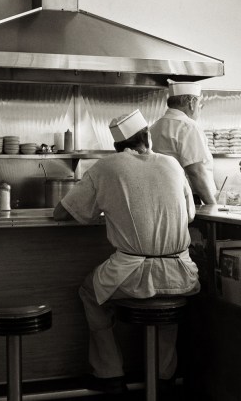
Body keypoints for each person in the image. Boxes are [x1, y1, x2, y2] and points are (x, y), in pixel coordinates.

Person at [53, 109, 200, 395]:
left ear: (117, 147)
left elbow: (62, 212)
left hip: (131, 273)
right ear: (148, 137)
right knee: (168, 308)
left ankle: (110, 375)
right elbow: (190, 215)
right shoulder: (172, 164)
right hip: (182, 272)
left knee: (89, 293)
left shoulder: (106, 167)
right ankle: (165, 377)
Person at [150, 79, 217, 204]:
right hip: (188, 200)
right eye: (199, 104)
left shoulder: (154, 127)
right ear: (191, 102)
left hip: (162, 198)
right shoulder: (188, 126)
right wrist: (212, 205)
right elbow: (196, 172)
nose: (199, 109)